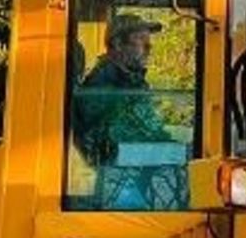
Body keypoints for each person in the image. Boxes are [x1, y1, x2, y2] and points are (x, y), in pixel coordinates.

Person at [71, 12, 173, 172]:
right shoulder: (102, 86)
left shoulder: (132, 81)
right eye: (140, 39)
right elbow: (116, 142)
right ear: (118, 44)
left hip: (135, 171)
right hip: (118, 176)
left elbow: (149, 128)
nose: (148, 47)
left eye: (148, 40)